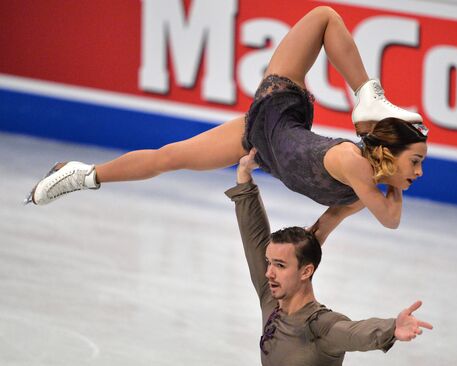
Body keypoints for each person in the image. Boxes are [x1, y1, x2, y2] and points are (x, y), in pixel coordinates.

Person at [26, 6, 428, 239]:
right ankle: (368, 98)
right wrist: (390, 175)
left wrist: (298, 286)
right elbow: (391, 220)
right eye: (415, 161)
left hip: (263, 142)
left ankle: (83, 175)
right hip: (279, 109)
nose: (419, 171)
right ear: (388, 154)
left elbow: (322, 229)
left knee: (170, 157)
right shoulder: (356, 167)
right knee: (324, 16)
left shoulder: (361, 191)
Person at [226, 149, 433, 365]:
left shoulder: (320, 326)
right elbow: (254, 239)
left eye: (279, 265)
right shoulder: (272, 298)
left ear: (306, 271)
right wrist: (244, 177)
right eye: (270, 263)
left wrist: (391, 328)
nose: (268, 272)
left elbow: (353, 333)